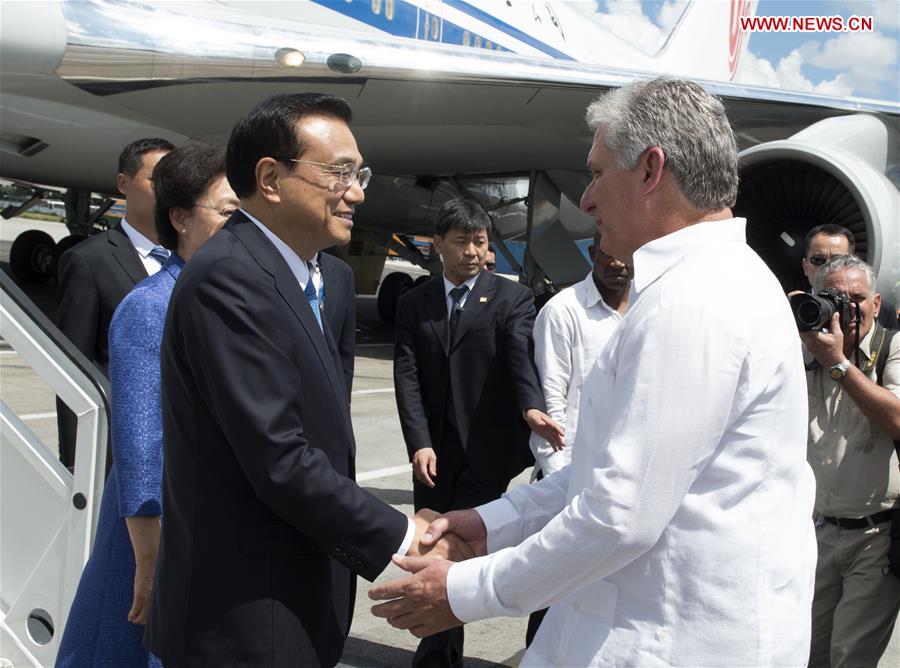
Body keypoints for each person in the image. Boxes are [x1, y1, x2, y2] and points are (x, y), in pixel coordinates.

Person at [370, 78, 818, 667]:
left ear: (651, 170)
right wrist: (490, 523)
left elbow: (618, 514)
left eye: (598, 173)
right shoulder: (703, 285)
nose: (586, 200)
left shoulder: (694, 302)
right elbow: (598, 471)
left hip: (671, 641)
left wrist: (464, 592)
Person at [144, 93, 467, 668]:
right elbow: (280, 458)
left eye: (359, 172)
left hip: (289, 595)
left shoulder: (288, 277)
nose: (359, 192)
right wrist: (403, 535)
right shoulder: (232, 280)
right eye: (340, 172)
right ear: (270, 178)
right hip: (245, 613)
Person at [56, 144, 237, 667]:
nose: (242, 227)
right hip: (153, 529)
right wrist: (151, 559)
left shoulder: (212, 299)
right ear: (180, 219)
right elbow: (139, 445)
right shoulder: (152, 306)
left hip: (196, 521)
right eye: (228, 212)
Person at [392, 197, 562, 667]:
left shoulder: (512, 297)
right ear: (438, 245)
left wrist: (531, 408)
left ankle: (438, 650)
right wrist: (419, 442)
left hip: (486, 450)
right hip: (434, 453)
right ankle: (438, 651)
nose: (472, 251)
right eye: (462, 241)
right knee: (429, 543)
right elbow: (406, 376)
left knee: (461, 551)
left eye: (480, 241)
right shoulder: (414, 303)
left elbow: (518, 357)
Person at [524, 226, 630, 646]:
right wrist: (564, 489)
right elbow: (552, 404)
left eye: (627, 254)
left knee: (600, 608)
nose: (619, 263)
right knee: (550, 603)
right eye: (609, 254)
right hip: (566, 484)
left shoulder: (647, 309)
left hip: (618, 486)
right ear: (592, 252)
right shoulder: (563, 311)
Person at [799, 255, 900, 667]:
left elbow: (896, 416)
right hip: (816, 532)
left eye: (857, 298)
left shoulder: (892, 346)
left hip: (875, 534)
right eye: (833, 298)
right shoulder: (803, 347)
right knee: (806, 653)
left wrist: (838, 364)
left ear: (876, 303)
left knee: (850, 659)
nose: (847, 308)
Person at [55, 137, 174, 468]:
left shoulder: (195, 259)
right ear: (124, 183)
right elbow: (72, 372)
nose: (167, 190)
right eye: (156, 179)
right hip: (124, 452)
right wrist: (78, 463)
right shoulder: (89, 261)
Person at [801, 223, 898, 329]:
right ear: (805, 267)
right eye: (819, 260)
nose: (828, 267)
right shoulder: (792, 309)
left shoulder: (884, 311)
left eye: (838, 260)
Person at [315, 250, 356, 398]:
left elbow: (346, 349)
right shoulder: (264, 263)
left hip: (325, 398)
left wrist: (344, 401)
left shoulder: (342, 272)